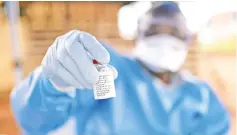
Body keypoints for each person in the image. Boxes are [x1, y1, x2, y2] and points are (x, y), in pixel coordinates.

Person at [10, 2, 230, 135]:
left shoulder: (200, 96)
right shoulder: (108, 68)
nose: (164, 39)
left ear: (187, 40)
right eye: (155, 30)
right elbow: (34, 119)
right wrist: (55, 84)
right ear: (138, 35)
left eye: (174, 33)